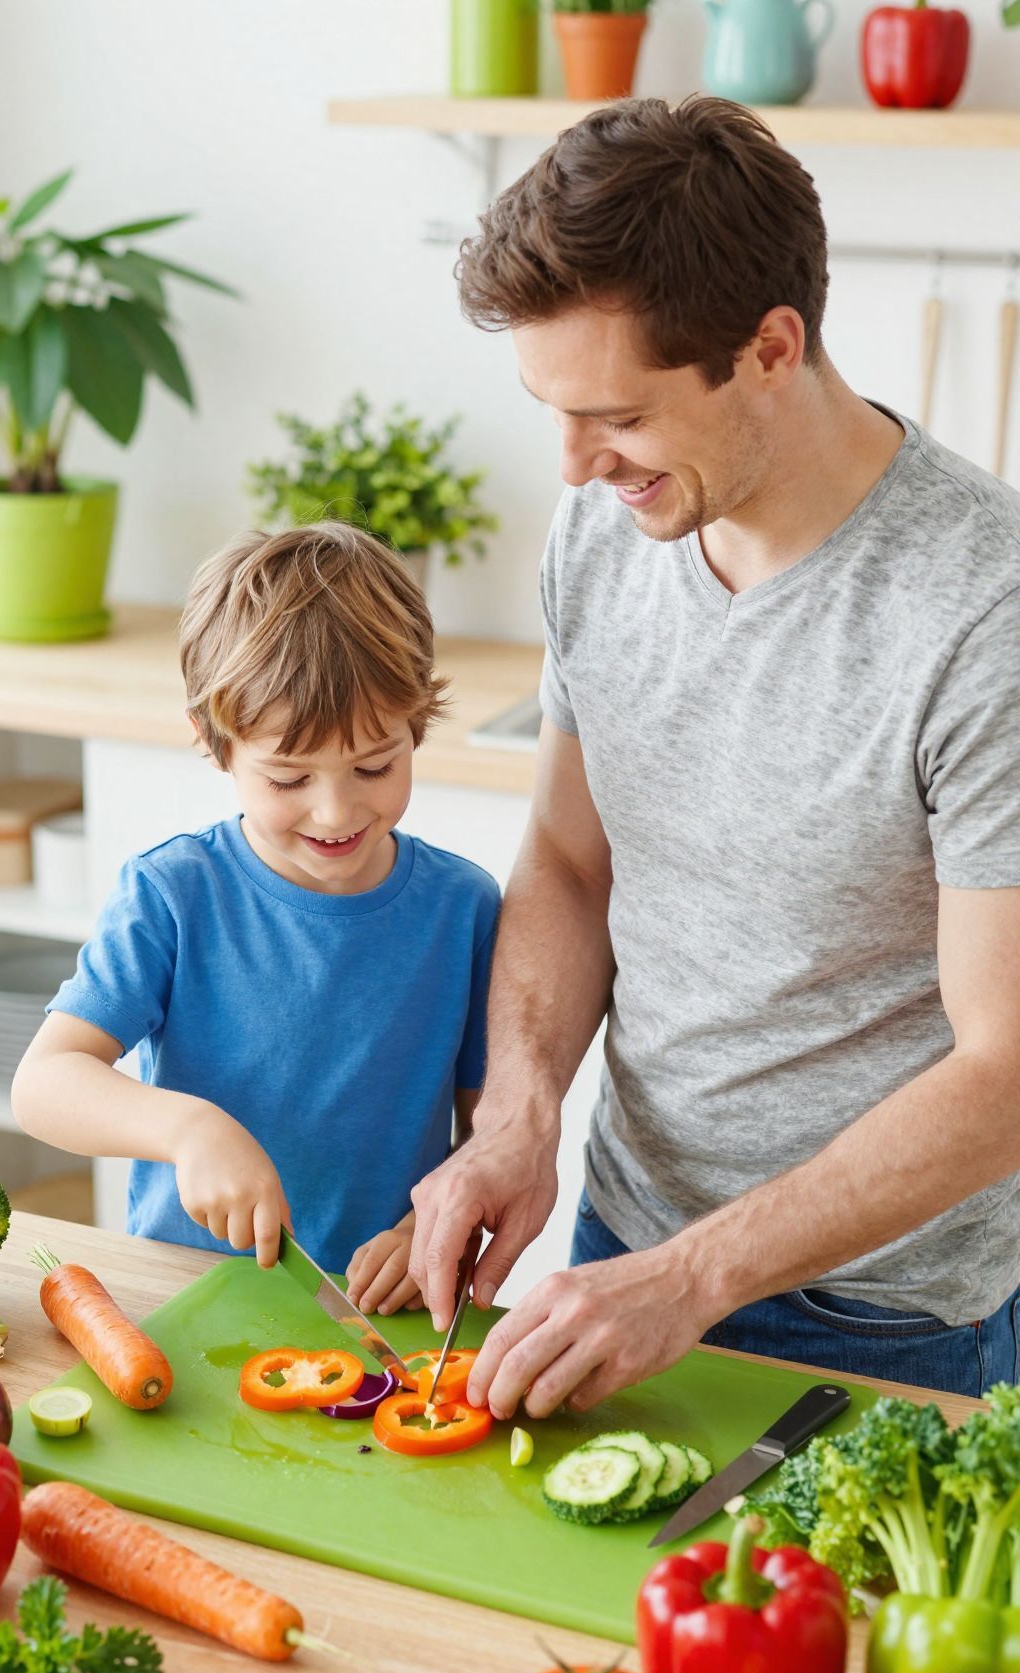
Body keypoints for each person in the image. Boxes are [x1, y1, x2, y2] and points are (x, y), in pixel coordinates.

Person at [409, 95, 1020, 1414]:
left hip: (885, 1314)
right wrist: (521, 1115)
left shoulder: (984, 609)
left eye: (616, 415)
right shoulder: (606, 537)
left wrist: (700, 1277)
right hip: (624, 1255)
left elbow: (1004, 1072)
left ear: (770, 348)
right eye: (554, 413)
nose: (573, 467)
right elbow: (573, 863)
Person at [12, 524, 499, 1315]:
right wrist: (187, 1130)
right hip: (187, 1303)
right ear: (216, 745)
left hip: (382, 1313)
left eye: (375, 765)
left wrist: (435, 1224)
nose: (336, 810)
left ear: (418, 724)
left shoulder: (464, 910)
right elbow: (43, 1084)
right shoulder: (174, 893)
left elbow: (494, 1138)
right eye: (288, 776)